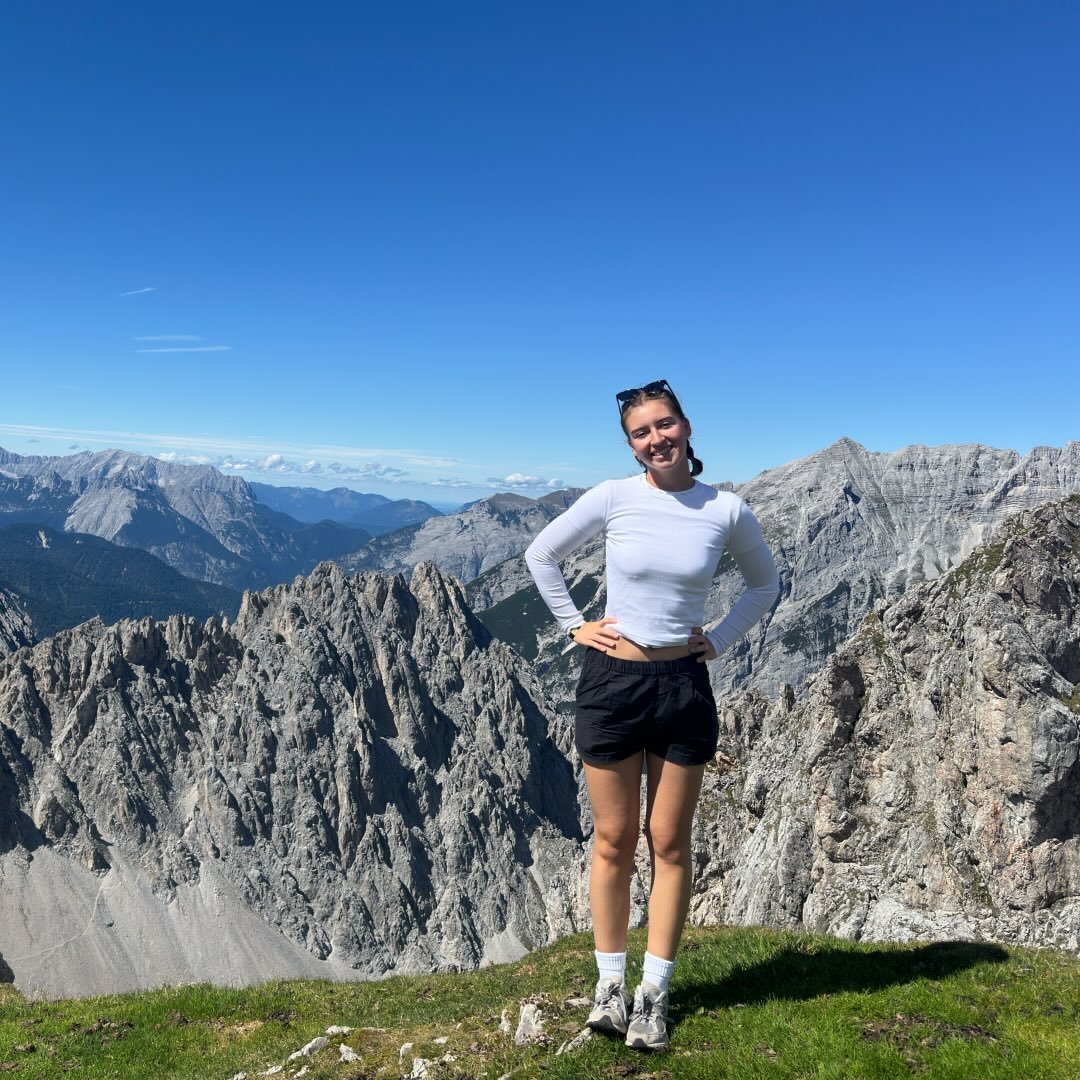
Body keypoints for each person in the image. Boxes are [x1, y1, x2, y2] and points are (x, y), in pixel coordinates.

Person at [524, 379, 779, 1051]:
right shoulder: (614, 497)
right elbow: (540, 555)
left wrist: (719, 639)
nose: (656, 439)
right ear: (631, 445)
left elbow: (765, 585)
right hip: (612, 681)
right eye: (641, 432)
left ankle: (653, 996)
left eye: (664, 425)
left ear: (685, 427)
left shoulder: (725, 509)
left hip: (683, 685)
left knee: (669, 842)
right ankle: (609, 986)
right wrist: (575, 626)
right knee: (613, 840)